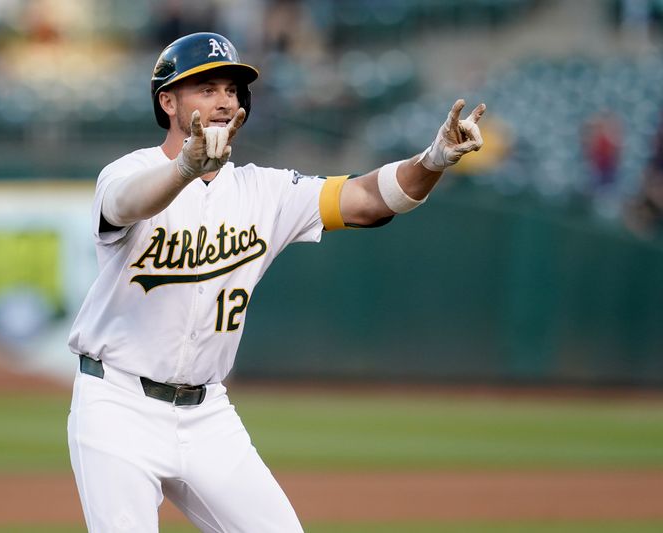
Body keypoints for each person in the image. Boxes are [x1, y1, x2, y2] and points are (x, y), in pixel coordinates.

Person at [67, 32, 485, 532]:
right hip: (117, 405)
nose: (223, 100)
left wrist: (432, 160)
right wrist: (184, 168)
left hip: (207, 414)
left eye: (231, 89)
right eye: (205, 88)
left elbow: (368, 200)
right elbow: (127, 204)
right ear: (167, 101)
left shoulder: (265, 191)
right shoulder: (129, 172)